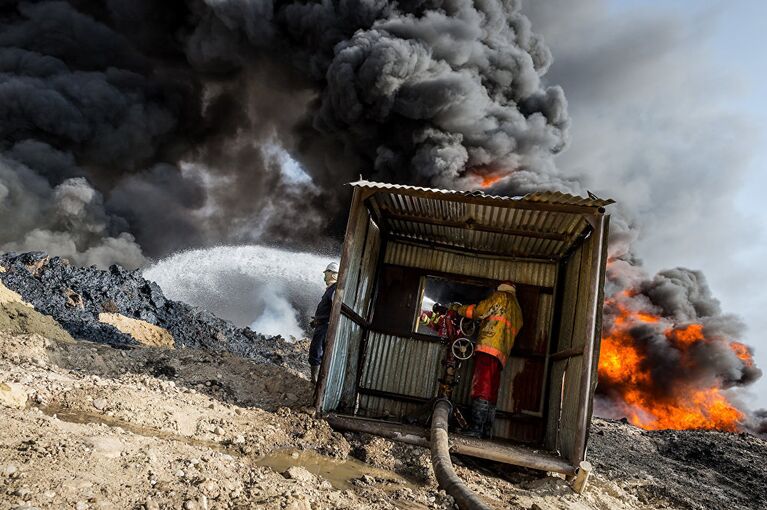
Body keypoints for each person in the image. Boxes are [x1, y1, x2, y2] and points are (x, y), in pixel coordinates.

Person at [451, 282, 523, 438]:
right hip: (501, 354)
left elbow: (479, 311)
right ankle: (486, 430)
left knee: (482, 387)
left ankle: (476, 428)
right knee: (491, 390)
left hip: (488, 347)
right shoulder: (517, 308)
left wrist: (458, 309)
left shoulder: (499, 297)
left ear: (500, 288)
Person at [308, 262, 339, 384]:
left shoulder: (334, 290)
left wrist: (324, 321)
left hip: (326, 327)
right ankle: (317, 380)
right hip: (323, 325)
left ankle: (315, 380)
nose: (324, 275)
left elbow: (335, 308)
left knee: (316, 351)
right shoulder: (330, 290)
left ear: (332, 274)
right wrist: (317, 321)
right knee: (318, 351)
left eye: (326, 272)